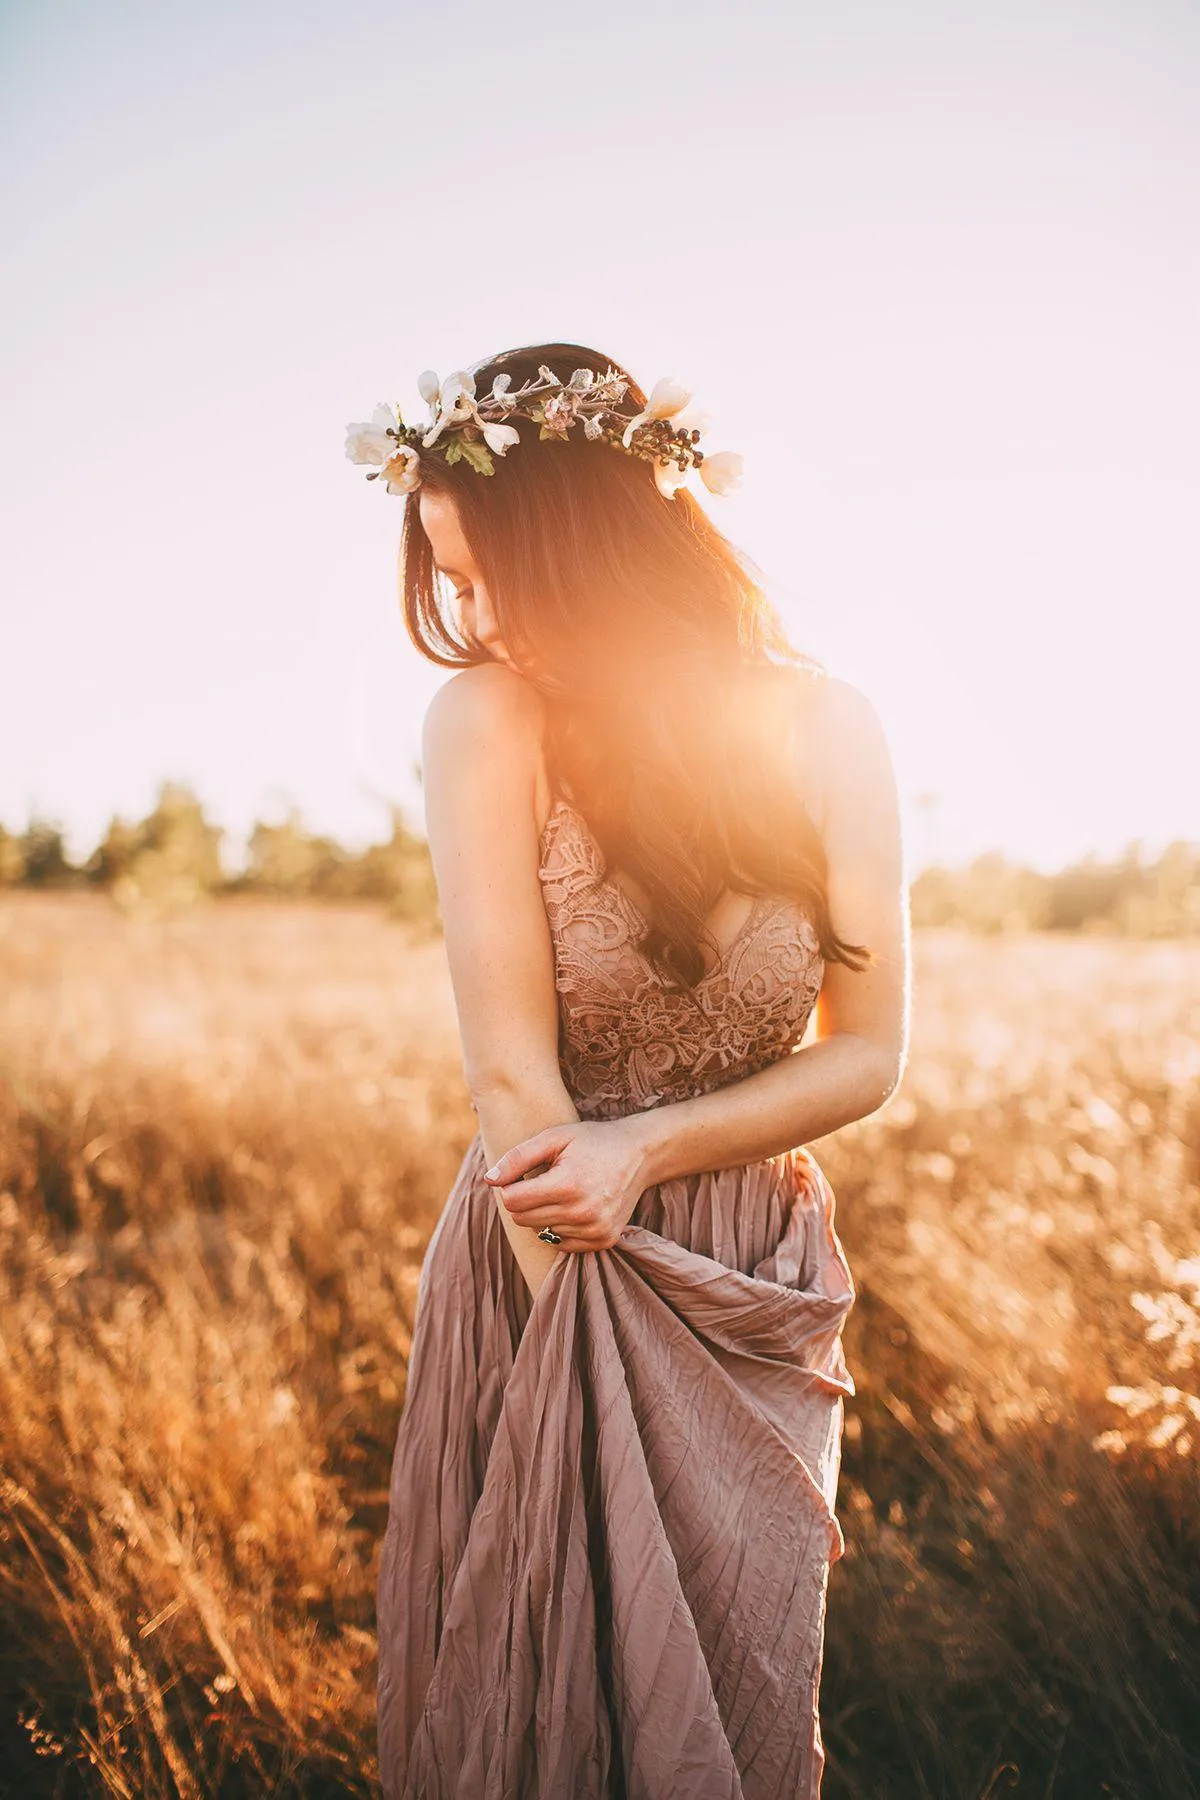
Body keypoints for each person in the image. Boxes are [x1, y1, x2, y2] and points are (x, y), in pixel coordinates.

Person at [347, 342, 911, 1799]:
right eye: (449, 585)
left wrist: (653, 1154)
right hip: (553, 1252)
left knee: (733, 1676)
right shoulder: (484, 721)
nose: (471, 621)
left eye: (488, 580)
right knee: (566, 1701)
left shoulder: (828, 724)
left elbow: (870, 1058)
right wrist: (595, 1335)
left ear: (587, 549)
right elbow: (512, 1088)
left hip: (749, 1260)